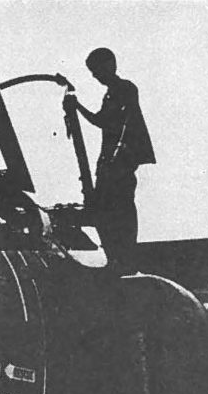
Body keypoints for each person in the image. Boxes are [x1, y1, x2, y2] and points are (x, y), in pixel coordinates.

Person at [65, 48, 155, 273]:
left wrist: (117, 156)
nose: (95, 76)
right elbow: (100, 120)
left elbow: (124, 123)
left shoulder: (125, 89)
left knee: (120, 210)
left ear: (109, 65)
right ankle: (114, 256)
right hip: (109, 163)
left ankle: (124, 258)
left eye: (96, 70)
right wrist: (76, 107)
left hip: (119, 163)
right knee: (102, 210)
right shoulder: (110, 94)